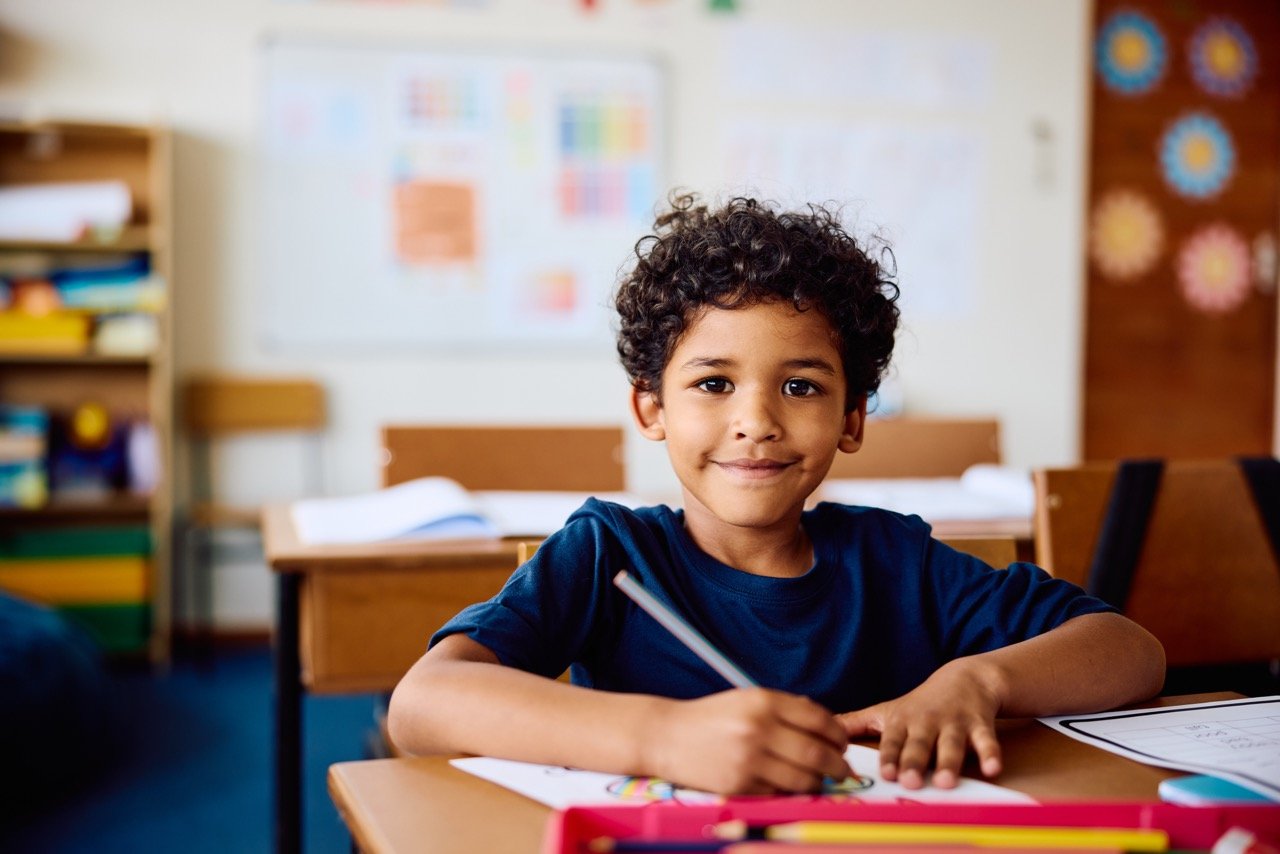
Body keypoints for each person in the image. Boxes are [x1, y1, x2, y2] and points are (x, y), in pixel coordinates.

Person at [387, 193, 1165, 794]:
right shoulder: (607, 556)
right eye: (713, 383)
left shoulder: (896, 563)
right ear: (651, 408)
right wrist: (662, 738)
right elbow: (422, 708)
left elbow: (1132, 653)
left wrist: (978, 680)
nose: (755, 421)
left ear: (852, 417)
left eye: (800, 385)